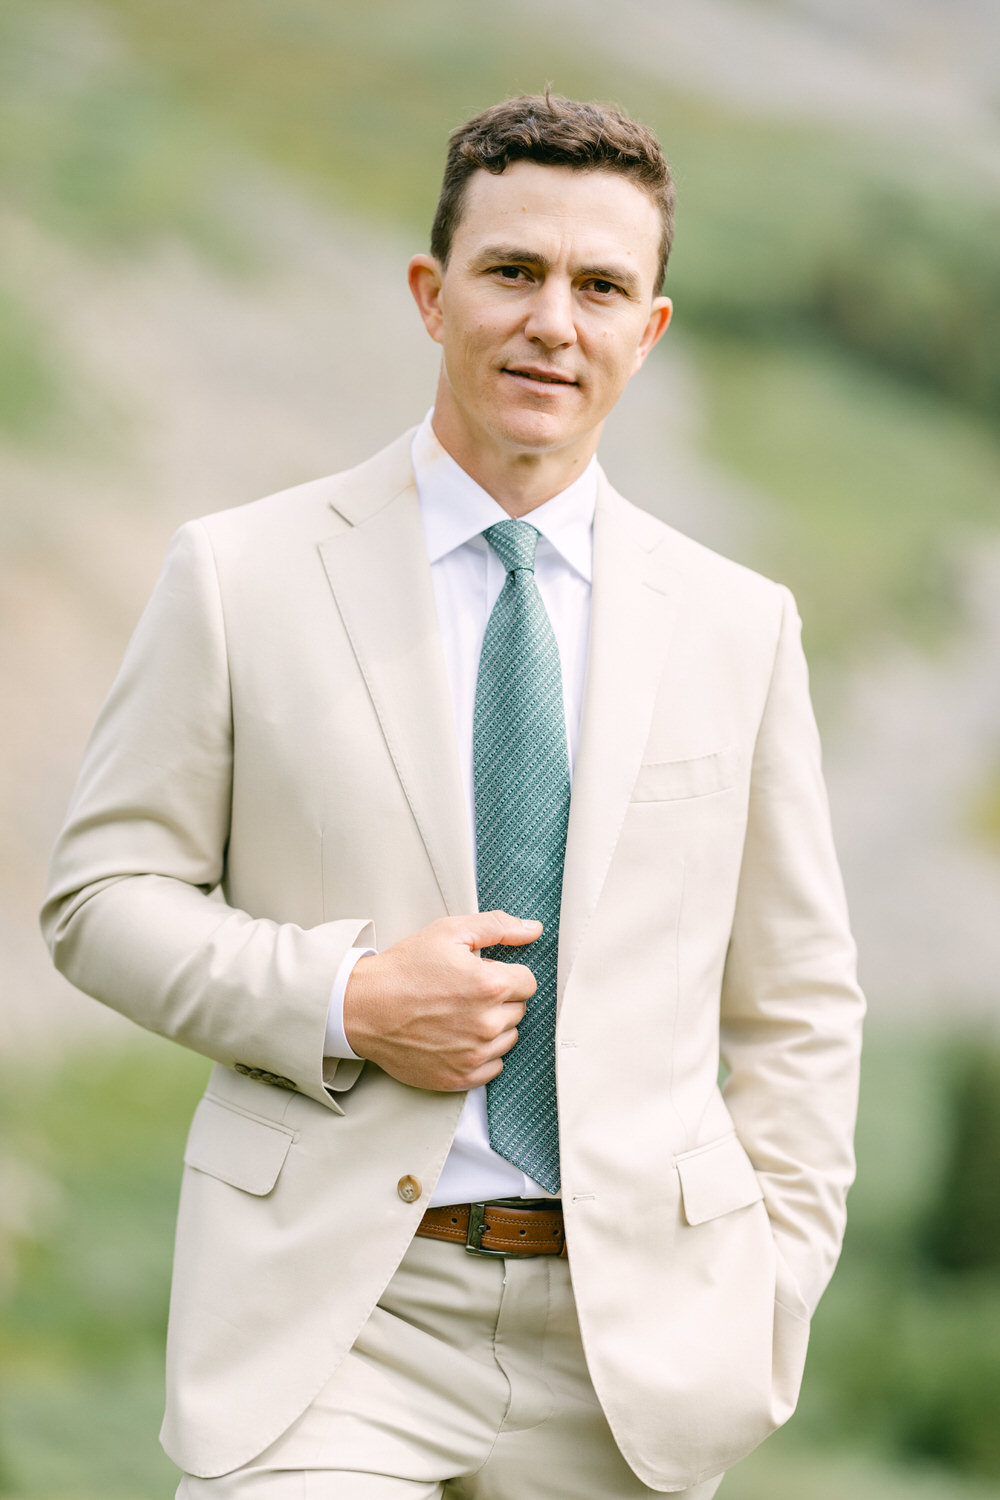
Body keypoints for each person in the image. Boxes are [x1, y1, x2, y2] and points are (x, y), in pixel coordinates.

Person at [41, 93, 865, 1498]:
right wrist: (343, 999)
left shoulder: (742, 626)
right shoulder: (241, 575)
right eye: (512, 272)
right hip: (331, 1324)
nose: (555, 320)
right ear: (433, 296)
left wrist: (765, 1295)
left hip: (633, 1355)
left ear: (647, 330)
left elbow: (798, 1006)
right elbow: (99, 900)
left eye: (601, 285)